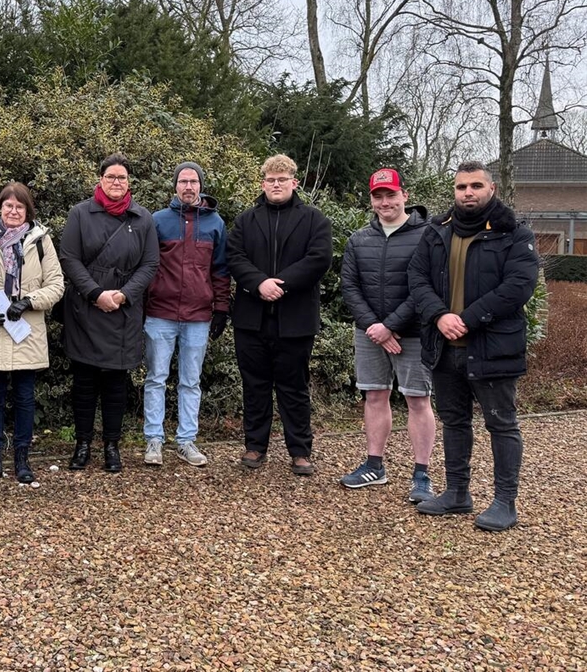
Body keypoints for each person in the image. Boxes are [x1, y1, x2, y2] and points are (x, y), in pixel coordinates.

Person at [408, 161, 538, 532]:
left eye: (476, 186)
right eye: (462, 186)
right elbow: (416, 277)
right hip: (444, 346)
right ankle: (457, 492)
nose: (468, 192)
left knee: (502, 424)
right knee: (454, 420)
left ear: (491, 189)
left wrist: (466, 318)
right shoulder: (436, 231)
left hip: (492, 346)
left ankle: (504, 502)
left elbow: (518, 286)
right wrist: (439, 315)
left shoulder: (514, 233)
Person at [227, 154, 332, 475]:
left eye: (282, 179)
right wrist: (259, 283)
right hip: (251, 318)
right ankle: (255, 447)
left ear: (294, 182)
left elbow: (319, 259)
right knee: (254, 386)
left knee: (293, 387)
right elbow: (234, 256)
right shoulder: (246, 220)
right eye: (271, 180)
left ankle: (300, 450)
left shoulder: (315, 220)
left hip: (295, 320)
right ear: (263, 183)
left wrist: (280, 285)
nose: (276, 185)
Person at [339, 168, 437, 502]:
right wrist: (376, 329)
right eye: (378, 196)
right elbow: (350, 288)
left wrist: (391, 326)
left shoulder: (428, 235)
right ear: (371, 199)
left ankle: (422, 474)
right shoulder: (358, 239)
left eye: (391, 195)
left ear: (404, 195)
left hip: (412, 333)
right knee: (375, 396)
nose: (385, 202)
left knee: (417, 399)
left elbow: (425, 286)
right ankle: (374, 465)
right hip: (369, 333)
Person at [0, 182, 65, 486]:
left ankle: (22, 458)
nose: (14, 211)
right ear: (0, 208)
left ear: (27, 210)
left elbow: (56, 284)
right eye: (8, 205)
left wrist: (29, 301)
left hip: (26, 331)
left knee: (24, 398)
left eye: (19, 206)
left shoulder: (41, 241)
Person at [59, 153, 159, 473]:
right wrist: (95, 293)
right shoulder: (80, 213)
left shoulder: (143, 219)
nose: (117, 182)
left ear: (129, 182)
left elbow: (150, 264)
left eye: (123, 178)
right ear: (100, 179)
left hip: (124, 310)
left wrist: (124, 295)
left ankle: (112, 445)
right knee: (85, 382)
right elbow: (69, 258)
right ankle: (83, 443)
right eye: (111, 176)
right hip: (86, 309)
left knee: (116, 383)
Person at [142, 161, 231, 469]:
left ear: (201, 185)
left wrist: (221, 307)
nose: (189, 187)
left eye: (194, 181)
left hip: (198, 315)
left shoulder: (216, 223)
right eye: (183, 181)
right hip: (160, 312)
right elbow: (147, 265)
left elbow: (221, 270)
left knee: (190, 381)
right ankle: (154, 439)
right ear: (175, 186)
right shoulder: (158, 221)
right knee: (156, 378)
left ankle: (186, 440)